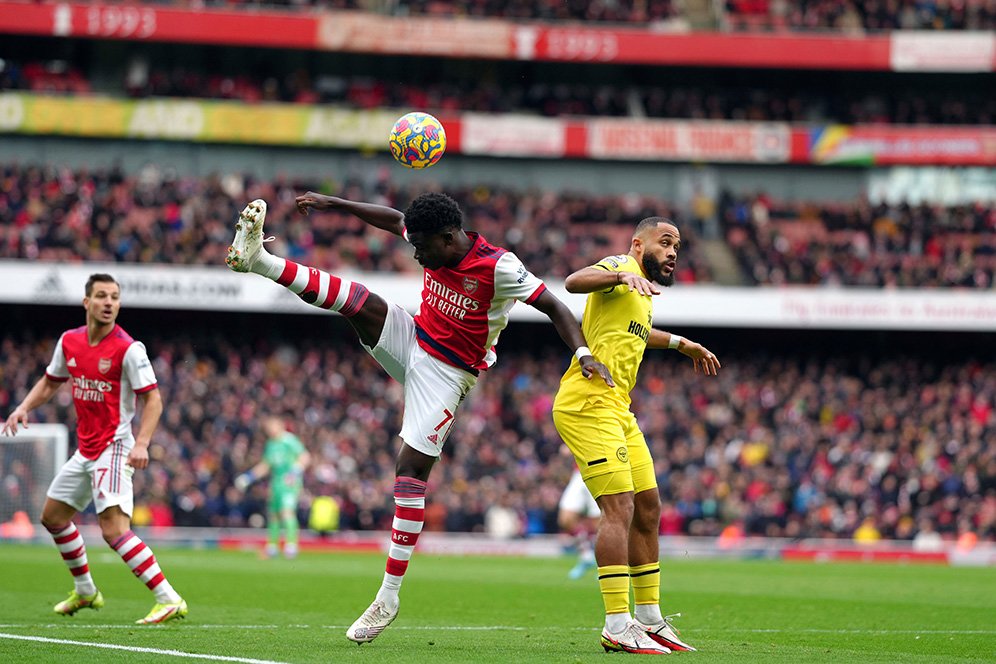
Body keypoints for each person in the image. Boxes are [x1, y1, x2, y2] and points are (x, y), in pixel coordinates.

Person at [224, 194, 614, 644]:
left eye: (422, 247)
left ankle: (388, 597)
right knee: (358, 302)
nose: (415, 253)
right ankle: (260, 261)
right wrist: (333, 202)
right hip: (415, 337)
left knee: (409, 471)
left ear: (449, 239)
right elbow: (393, 220)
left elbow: (555, 306)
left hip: (449, 374)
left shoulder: (499, 267)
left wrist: (583, 353)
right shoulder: (430, 235)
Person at [552, 217, 721, 655]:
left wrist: (682, 344)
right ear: (637, 244)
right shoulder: (619, 268)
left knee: (648, 507)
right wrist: (620, 272)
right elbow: (573, 282)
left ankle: (649, 619)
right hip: (586, 402)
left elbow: (638, 336)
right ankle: (616, 623)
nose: (672, 252)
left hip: (617, 407)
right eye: (665, 243)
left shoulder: (642, 294)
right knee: (619, 507)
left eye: (677, 247)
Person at [2, 273, 188, 624]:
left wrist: (143, 443)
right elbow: (50, 382)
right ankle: (86, 590)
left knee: (114, 530)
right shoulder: (69, 342)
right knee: (53, 517)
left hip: (115, 448)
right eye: (101, 296)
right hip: (85, 450)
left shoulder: (129, 349)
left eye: (114, 297)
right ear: (86, 302)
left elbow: (154, 400)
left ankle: (169, 598)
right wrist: (24, 407)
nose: (108, 303)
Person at [235, 415, 311, 559]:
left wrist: (294, 472)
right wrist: (248, 477)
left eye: (272, 426)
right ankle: (273, 546)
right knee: (273, 514)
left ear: (280, 425)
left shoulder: (289, 440)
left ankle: (291, 545)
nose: (270, 430)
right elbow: (266, 465)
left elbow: (305, 457)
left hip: (289, 482)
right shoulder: (271, 444)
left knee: (287, 511)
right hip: (276, 482)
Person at [559, 469, 600, 580]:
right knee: (566, 519)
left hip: (599, 470)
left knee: (600, 524)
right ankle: (587, 556)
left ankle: (607, 565)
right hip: (579, 472)